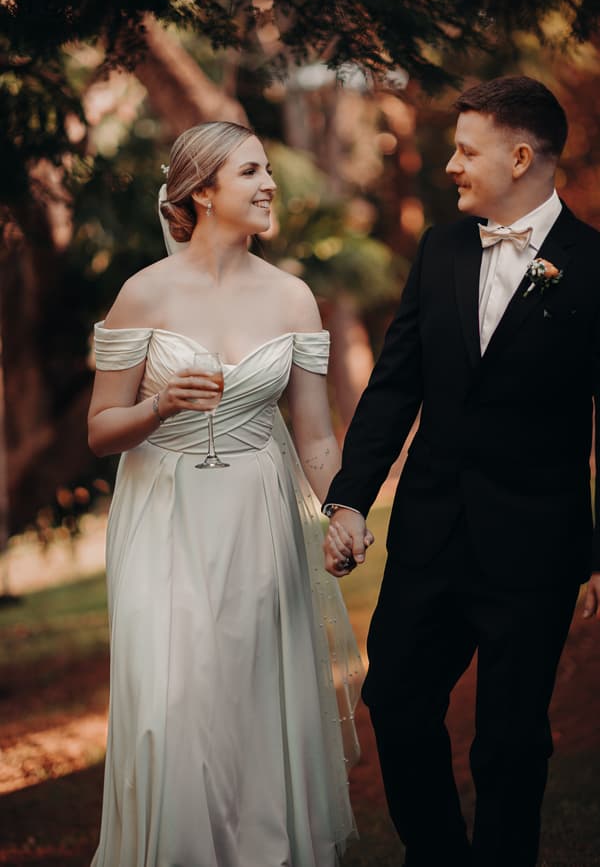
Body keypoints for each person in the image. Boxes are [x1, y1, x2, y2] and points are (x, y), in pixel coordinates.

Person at [323, 76, 600, 867]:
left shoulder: (593, 266)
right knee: (397, 702)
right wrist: (350, 498)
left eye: (466, 149)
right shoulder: (442, 248)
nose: (450, 164)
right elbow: (396, 383)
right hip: (431, 534)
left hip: (535, 547)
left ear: (520, 156)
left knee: (511, 742)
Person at [88, 121, 366, 867]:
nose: (269, 183)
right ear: (202, 191)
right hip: (161, 519)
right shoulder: (143, 293)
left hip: (258, 519)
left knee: (254, 702)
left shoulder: (292, 297)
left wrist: (340, 509)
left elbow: (312, 436)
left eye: (267, 168)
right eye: (251, 171)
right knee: (170, 710)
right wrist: (157, 407)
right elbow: (101, 428)